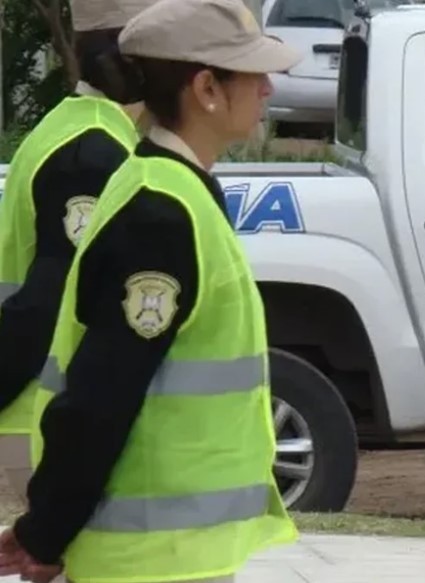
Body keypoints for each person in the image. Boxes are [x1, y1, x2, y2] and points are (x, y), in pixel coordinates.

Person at [0, 0, 303, 581]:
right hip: (151, 558)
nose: (268, 88)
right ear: (207, 88)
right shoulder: (160, 213)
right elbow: (98, 395)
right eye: (253, 73)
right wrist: (46, 531)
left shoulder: (166, 188)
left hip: (170, 551)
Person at [0, 0, 159, 506]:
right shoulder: (91, 154)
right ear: (130, 60)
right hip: (47, 415)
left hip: (47, 411)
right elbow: (48, 300)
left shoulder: (77, 130)